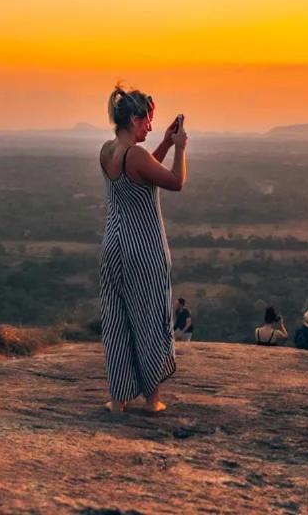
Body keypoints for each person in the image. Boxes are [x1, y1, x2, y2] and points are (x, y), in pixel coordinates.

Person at [99, 85, 188, 414]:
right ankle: (152, 399)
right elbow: (175, 181)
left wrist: (164, 142)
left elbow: (144, 174)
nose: (150, 128)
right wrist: (179, 148)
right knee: (150, 318)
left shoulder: (108, 151)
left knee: (118, 320)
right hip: (144, 247)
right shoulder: (135, 155)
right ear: (135, 119)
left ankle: (118, 400)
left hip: (114, 245)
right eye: (148, 122)